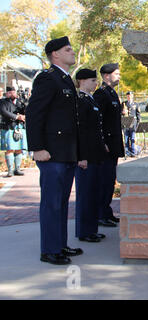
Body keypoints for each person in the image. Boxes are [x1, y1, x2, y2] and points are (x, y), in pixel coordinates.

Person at [26, 36, 84, 265]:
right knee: (51, 203)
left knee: (61, 203)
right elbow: (34, 114)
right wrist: (37, 148)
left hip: (66, 152)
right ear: (55, 55)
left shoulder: (65, 80)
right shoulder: (47, 79)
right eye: (68, 49)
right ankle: (49, 250)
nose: (73, 52)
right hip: (51, 153)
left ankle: (59, 244)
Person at [74, 69, 107, 242]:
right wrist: (81, 156)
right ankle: (84, 231)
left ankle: (91, 229)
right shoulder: (80, 101)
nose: (96, 83)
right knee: (85, 194)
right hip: (86, 155)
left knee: (94, 192)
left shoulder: (90, 99)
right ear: (82, 81)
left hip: (95, 153)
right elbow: (81, 131)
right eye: (93, 80)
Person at [94, 63, 124, 227]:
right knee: (104, 180)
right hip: (106, 146)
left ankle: (106, 211)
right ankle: (101, 213)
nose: (119, 76)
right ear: (106, 76)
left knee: (109, 180)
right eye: (116, 73)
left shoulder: (112, 93)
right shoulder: (101, 94)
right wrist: (102, 142)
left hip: (113, 145)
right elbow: (97, 121)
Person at [0, 86, 27, 177]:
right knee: (9, 149)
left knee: (19, 149)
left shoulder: (20, 102)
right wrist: (16, 117)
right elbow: (4, 112)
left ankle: (17, 169)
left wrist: (25, 106)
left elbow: (25, 111)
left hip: (19, 127)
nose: (12, 94)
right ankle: (10, 170)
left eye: (13, 92)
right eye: (10, 92)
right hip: (8, 127)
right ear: (6, 93)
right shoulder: (3, 102)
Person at [123, 91, 140, 157]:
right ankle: (127, 151)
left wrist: (138, 123)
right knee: (126, 138)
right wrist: (123, 112)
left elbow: (138, 114)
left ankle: (133, 151)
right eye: (128, 95)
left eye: (130, 95)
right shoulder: (124, 103)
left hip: (133, 123)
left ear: (132, 96)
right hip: (126, 123)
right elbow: (120, 113)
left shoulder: (135, 104)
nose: (129, 97)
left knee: (133, 137)